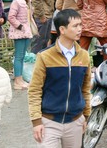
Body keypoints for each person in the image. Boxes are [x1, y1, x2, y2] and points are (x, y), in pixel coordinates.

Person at [28, 9, 91, 148]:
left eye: (81, 25)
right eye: (75, 26)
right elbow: (34, 90)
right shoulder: (45, 56)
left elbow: (86, 89)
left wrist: (85, 116)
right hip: (49, 122)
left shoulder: (84, 56)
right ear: (62, 29)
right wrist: (37, 121)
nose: (80, 29)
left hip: (75, 121)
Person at [8, 0, 36, 90]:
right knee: (19, 57)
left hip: (26, 32)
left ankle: (19, 79)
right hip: (20, 33)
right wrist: (20, 26)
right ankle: (17, 81)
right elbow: (11, 17)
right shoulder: (17, 2)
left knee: (22, 56)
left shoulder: (27, 2)